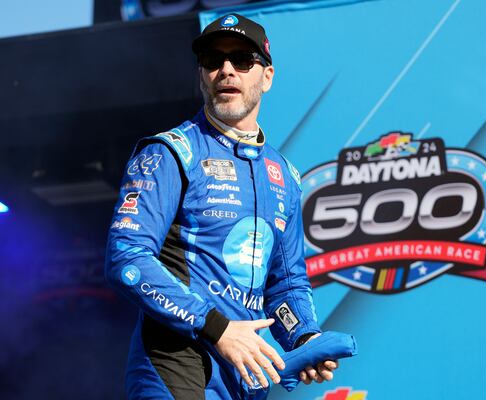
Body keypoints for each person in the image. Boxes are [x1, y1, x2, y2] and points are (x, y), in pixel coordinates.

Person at [105, 13, 337, 399]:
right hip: (175, 361)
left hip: (245, 371)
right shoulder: (171, 152)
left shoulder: (284, 175)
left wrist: (303, 337)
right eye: (214, 60)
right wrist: (216, 327)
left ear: (267, 77)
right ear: (201, 76)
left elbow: (286, 283)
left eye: (243, 60)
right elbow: (127, 258)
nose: (226, 70)